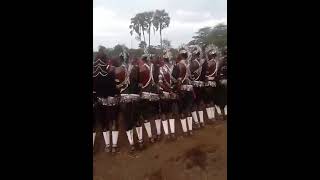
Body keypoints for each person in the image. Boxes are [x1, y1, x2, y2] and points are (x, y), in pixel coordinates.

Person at [93, 47, 120, 153]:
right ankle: (114, 146)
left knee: (104, 124)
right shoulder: (110, 72)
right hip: (112, 100)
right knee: (113, 122)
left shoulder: (94, 74)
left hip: (99, 101)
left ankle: (107, 146)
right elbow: (115, 87)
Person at [115, 50, 141, 152]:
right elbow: (139, 84)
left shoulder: (118, 70)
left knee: (127, 121)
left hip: (124, 98)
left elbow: (116, 87)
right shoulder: (135, 68)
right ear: (128, 58)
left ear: (121, 59)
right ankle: (141, 140)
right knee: (137, 119)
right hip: (135, 97)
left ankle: (132, 144)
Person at [172, 48, 194, 136]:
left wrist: (177, 91)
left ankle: (185, 131)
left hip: (181, 89)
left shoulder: (178, 65)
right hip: (189, 88)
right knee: (188, 109)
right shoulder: (189, 64)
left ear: (181, 56)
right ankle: (190, 130)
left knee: (181, 111)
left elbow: (176, 80)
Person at [158, 49, 179, 140]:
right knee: (171, 113)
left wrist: (168, 91)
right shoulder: (175, 67)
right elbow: (178, 81)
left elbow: (160, 83)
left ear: (164, 59)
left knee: (164, 114)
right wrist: (173, 91)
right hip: (173, 93)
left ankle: (167, 134)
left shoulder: (161, 69)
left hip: (165, 94)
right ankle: (173, 133)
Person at [189, 45, 206, 128]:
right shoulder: (203, 62)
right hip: (201, 85)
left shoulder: (193, 63)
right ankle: (202, 122)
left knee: (194, 104)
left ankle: (197, 123)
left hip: (194, 86)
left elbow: (189, 75)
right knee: (200, 103)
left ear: (194, 54)